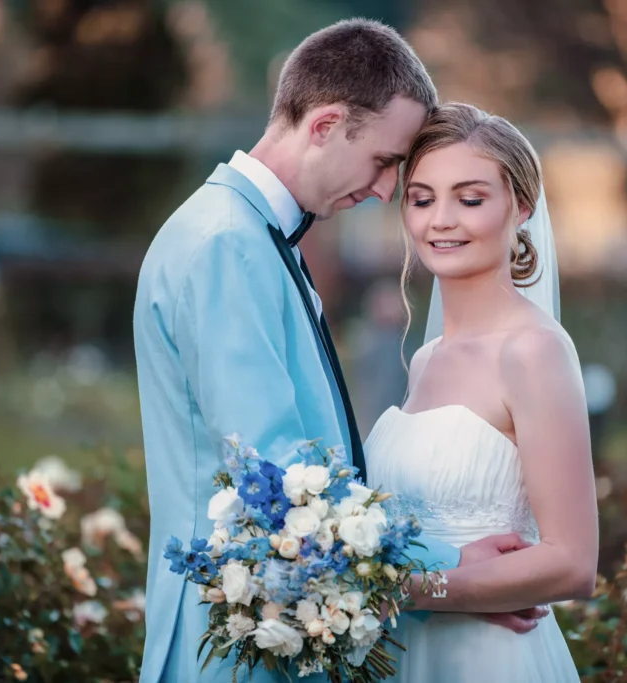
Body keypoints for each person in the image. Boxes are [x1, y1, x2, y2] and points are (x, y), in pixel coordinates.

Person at [132, 21, 547, 683]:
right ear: (324, 125)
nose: (387, 190)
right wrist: (447, 568)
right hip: (231, 654)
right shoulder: (225, 246)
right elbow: (279, 475)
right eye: (385, 161)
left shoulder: (253, 238)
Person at [365, 102, 598, 682]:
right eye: (421, 199)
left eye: (469, 199)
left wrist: (412, 592)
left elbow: (572, 563)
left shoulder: (535, 351)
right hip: (399, 655)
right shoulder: (423, 361)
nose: (440, 220)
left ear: (521, 206)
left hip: (487, 661)